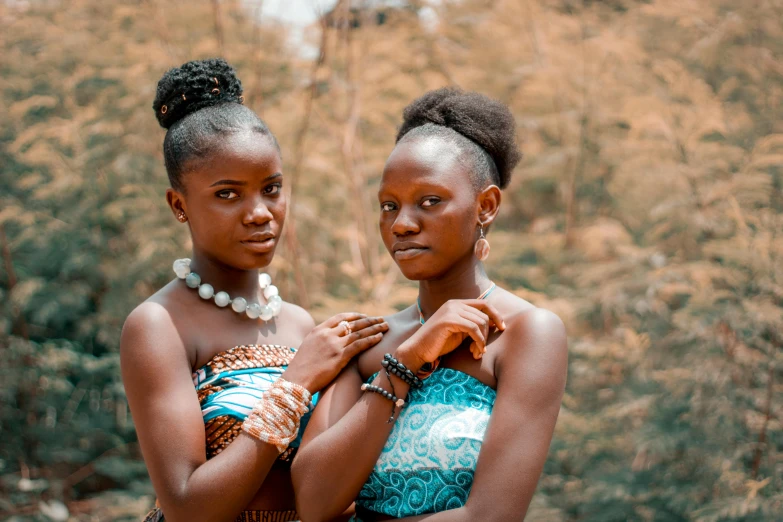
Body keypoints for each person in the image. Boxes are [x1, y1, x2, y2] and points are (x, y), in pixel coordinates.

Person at [121, 58, 388, 522]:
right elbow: (188, 506)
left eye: (272, 188)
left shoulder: (301, 323)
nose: (260, 212)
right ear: (179, 205)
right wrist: (297, 382)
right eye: (228, 194)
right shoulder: (158, 325)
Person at [292, 88, 568, 521]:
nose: (401, 224)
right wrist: (403, 363)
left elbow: (490, 517)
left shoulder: (527, 334)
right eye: (389, 206)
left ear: (486, 205)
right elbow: (312, 502)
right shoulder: (368, 342)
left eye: (429, 201)